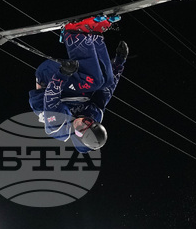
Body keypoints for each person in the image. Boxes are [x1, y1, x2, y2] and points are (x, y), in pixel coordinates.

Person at [28, 18, 128, 153]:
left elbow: (51, 97)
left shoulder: (58, 127)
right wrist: (119, 62)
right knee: (105, 81)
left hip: (49, 80)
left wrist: (62, 74)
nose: (81, 122)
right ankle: (95, 35)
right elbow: (106, 91)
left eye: (81, 129)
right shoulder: (95, 115)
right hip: (72, 85)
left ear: (76, 136)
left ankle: (73, 33)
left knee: (94, 81)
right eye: (88, 122)